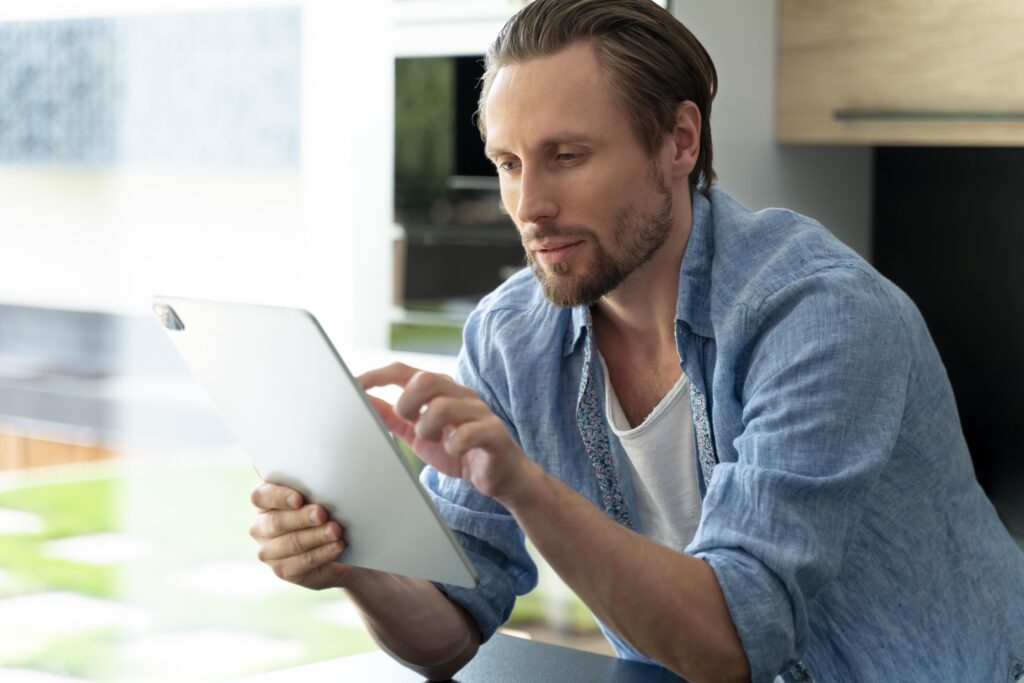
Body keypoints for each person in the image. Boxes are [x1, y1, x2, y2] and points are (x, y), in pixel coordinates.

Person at [248, 1, 1024, 681]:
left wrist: (522, 483)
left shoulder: (821, 317)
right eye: (509, 164)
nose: (530, 206)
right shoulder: (510, 337)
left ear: (679, 141)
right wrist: (357, 563)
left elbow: (733, 642)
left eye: (568, 157)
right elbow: (449, 629)